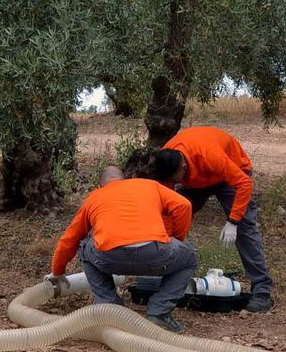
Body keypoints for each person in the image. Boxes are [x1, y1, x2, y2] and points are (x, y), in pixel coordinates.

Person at [139, 126, 274, 313]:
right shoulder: (167, 160)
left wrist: (233, 222)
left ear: (183, 167)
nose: (174, 184)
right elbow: (168, 199)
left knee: (244, 228)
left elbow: (244, 184)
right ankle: (164, 273)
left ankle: (262, 290)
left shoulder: (210, 156)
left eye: (174, 180)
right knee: (169, 217)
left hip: (232, 173)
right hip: (199, 178)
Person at [49, 165, 197, 333]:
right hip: (155, 253)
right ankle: (159, 314)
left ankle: (110, 308)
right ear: (124, 179)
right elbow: (184, 205)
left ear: (101, 185)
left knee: (85, 247)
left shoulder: (94, 197)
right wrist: (175, 240)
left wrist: (58, 272)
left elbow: (70, 239)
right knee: (189, 258)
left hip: (109, 257)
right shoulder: (148, 185)